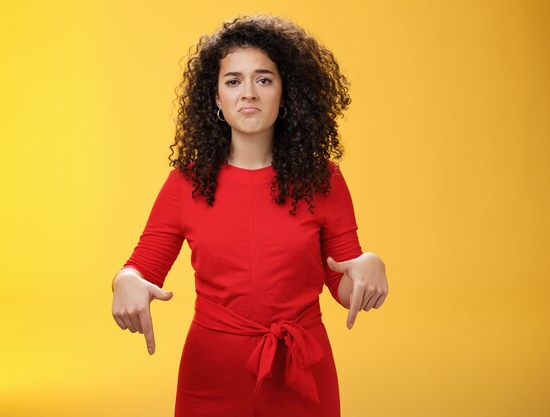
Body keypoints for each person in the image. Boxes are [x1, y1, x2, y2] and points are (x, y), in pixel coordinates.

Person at [111, 14, 389, 417]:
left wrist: (369, 268)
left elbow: (344, 284)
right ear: (216, 99)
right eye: (233, 81)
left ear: (285, 93)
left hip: (303, 373)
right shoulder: (185, 183)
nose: (249, 94)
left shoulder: (323, 179)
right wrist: (125, 282)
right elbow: (142, 269)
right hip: (211, 376)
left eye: (263, 79)